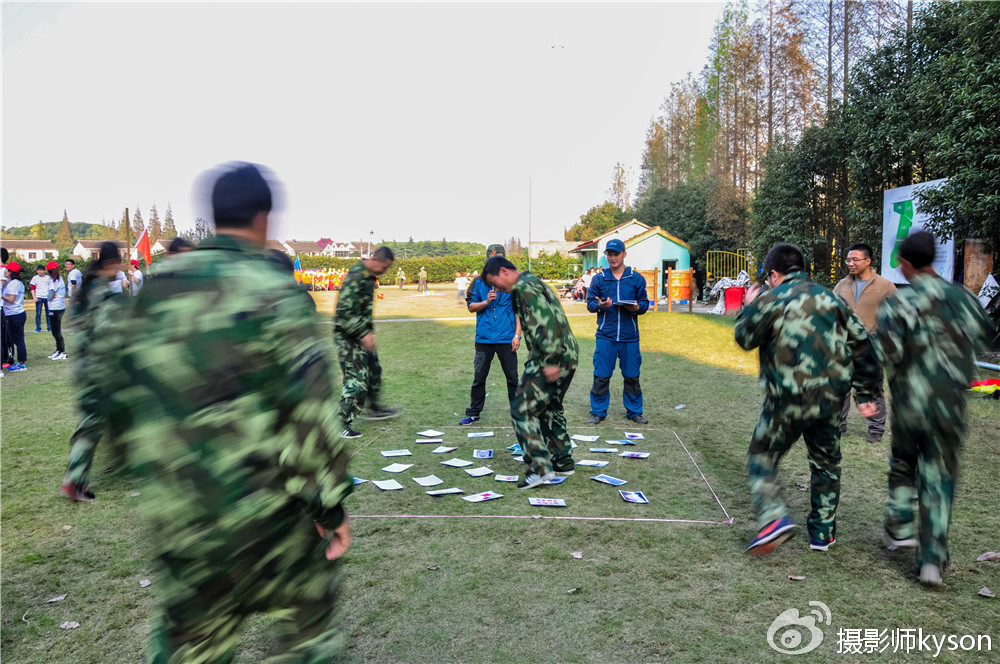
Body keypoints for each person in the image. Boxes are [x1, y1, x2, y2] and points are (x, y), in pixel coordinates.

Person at [115, 163, 353, 662]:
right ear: (264, 218)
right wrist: (328, 507)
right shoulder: (274, 290)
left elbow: (119, 398)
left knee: (193, 646)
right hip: (266, 514)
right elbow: (310, 416)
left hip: (181, 516)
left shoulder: (155, 288)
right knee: (310, 635)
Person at [735, 243, 880, 555]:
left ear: (774, 274)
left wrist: (750, 305)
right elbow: (864, 345)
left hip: (785, 400)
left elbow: (745, 338)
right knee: (826, 463)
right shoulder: (832, 298)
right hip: (830, 400)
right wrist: (866, 393)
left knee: (761, 456)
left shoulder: (770, 299)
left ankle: (774, 519)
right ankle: (823, 533)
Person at [876, 231, 995, 585]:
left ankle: (899, 524)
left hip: (909, 403)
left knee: (903, 464)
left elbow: (889, 352)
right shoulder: (963, 298)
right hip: (950, 405)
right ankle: (931, 560)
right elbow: (985, 336)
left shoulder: (898, 302)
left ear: (907, 264)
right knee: (939, 479)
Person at [483, 256, 578, 488]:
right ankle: (562, 460)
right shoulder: (534, 281)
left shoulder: (524, 288)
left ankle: (541, 469)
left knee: (521, 410)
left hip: (549, 355)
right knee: (550, 407)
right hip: (568, 353)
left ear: (503, 271)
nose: (496, 289)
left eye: (494, 283)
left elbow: (548, 323)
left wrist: (549, 361)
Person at [59, 242, 129, 501]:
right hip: (101, 370)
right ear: (112, 263)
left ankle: (125, 461)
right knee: (90, 426)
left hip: (85, 367)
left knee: (111, 417)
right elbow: (111, 336)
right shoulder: (105, 296)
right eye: (119, 263)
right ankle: (73, 483)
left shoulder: (86, 292)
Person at [833, 243, 898, 443]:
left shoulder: (885, 286)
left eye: (855, 260)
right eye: (848, 260)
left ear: (868, 261)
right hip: (844, 345)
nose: (850, 263)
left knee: (872, 387)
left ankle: (876, 429)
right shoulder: (841, 285)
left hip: (872, 346)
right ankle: (837, 426)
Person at [335, 245, 401, 438]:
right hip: (348, 337)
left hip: (361, 334)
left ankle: (375, 408)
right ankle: (340, 424)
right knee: (357, 381)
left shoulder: (370, 276)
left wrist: (366, 333)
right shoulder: (356, 276)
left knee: (374, 369)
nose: (384, 271)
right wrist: (363, 333)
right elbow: (343, 313)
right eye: (384, 267)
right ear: (374, 260)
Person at [586, 239, 650, 425]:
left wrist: (637, 308)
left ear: (624, 254)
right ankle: (598, 411)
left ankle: (634, 412)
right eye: (609, 254)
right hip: (606, 335)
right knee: (601, 375)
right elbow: (590, 304)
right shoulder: (599, 278)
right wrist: (600, 305)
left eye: (616, 253)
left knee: (632, 376)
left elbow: (645, 304)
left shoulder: (636, 278)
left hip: (630, 337)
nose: (612, 258)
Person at [460, 244, 522, 426]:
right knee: (479, 377)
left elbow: (519, 312)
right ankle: (474, 413)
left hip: (506, 338)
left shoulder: (512, 285)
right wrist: (486, 301)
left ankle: (517, 412)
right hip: (484, 339)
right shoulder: (478, 282)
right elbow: (471, 307)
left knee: (512, 378)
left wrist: (517, 335)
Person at [2, 261, 28, 372]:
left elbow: (11, 300)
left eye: (7, 269)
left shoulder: (14, 283)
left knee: (18, 340)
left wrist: (1, 295)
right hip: (15, 314)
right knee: (16, 339)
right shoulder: (15, 282)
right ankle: (19, 362)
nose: (5, 271)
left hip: (15, 314)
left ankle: (21, 364)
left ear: (10, 272)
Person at [45, 261, 68, 360]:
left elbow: (50, 296)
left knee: (56, 331)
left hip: (55, 308)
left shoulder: (53, 281)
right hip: (59, 307)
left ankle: (62, 352)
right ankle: (58, 350)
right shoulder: (59, 279)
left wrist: (47, 296)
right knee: (55, 331)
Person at [30, 263, 52, 332]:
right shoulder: (35, 278)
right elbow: (32, 288)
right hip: (39, 297)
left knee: (49, 313)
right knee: (38, 314)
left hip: (47, 297)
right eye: (38, 270)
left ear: (44, 271)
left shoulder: (48, 278)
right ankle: (38, 328)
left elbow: (51, 287)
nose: (40, 272)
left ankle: (49, 327)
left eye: (41, 270)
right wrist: (34, 297)